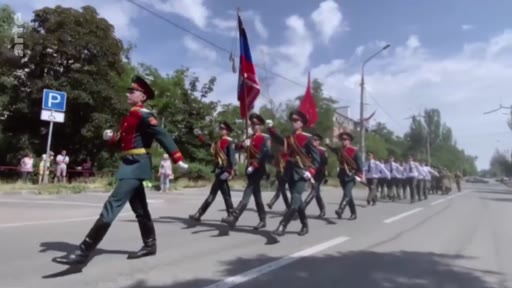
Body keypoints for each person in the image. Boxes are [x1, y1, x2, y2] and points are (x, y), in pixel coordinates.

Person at [53, 75, 189, 266]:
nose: (129, 93)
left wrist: (177, 158)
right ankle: (150, 245)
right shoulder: (130, 116)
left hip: (136, 165)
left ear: (142, 97)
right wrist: (111, 137)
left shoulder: (144, 115)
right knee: (140, 210)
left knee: (112, 205)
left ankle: (84, 251)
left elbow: (162, 135)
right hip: (129, 163)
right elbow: (123, 140)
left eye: (133, 91)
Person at [266, 110, 320, 236]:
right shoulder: (289, 137)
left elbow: (316, 159)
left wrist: (311, 172)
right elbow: (280, 140)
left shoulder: (307, 138)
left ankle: (282, 226)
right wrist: (271, 129)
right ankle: (305, 225)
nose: (293, 123)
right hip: (290, 171)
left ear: (302, 123)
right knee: (298, 201)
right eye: (292, 121)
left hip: (301, 172)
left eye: (296, 121)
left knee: (294, 201)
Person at [221, 113, 270, 230]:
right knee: (257, 195)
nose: (254, 126)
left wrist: (255, 165)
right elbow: (236, 147)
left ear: (261, 126)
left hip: (258, 168)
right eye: (252, 124)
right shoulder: (249, 137)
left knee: (247, 193)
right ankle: (263, 219)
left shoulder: (265, 138)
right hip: (249, 168)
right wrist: (243, 144)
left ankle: (234, 216)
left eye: (257, 124)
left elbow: (266, 153)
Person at [189, 121, 236, 222]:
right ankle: (231, 214)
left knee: (214, 194)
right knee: (224, 194)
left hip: (224, 171)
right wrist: (200, 136)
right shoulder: (218, 142)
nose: (221, 130)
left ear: (227, 131)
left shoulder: (229, 142)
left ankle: (199, 214)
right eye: (220, 128)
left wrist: (230, 171)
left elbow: (232, 158)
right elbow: (208, 143)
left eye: (223, 128)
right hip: (219, 171)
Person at [327, 131, 363, 220]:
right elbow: (332, 148)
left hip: (351, 175)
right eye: (342, 139)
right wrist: (327, 143)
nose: (343, 141)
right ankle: (353, 213)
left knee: (347, 194)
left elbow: (360, 164)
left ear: (349, 140)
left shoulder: (354, 150)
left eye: (345, 139)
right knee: (348, 195)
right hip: (342, 174)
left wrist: (359, 175)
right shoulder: (340, 150)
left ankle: (340, 209)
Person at [303, 133, 327, 218]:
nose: (315, 141)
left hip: (320, 174)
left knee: (314, 190)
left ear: (319, 142)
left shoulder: (322, 151)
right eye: (313, 139)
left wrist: (325, 176)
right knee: (316, 192)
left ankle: (303, 206)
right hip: (311, 173)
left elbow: (324, 164)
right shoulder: (309, 149)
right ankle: (322, 210)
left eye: (317, 140)